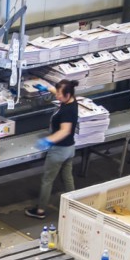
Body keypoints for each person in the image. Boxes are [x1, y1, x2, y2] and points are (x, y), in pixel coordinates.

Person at [25, 79, 80, 219]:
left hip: (59, 150)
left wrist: (48, 140)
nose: (57, 97)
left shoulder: (67, 111)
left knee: (47, 180)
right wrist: (46, 88)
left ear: (67, 95)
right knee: (67, 178)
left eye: (59, 95)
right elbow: (58, 91)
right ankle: (75, 206)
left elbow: (65, 130)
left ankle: (40, 211)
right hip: (70, 148)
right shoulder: (71, 100)